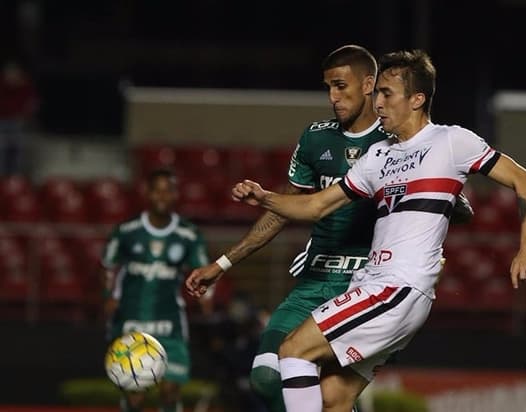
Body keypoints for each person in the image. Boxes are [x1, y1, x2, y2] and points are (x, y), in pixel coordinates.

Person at [225, 49, 526, 412]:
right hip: (375, 284)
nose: (377, 102)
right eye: (377, 93)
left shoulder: (451, 141)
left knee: (293, 352)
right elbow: (316, 205)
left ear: (417, 99)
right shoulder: (378, 155)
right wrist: (264, 198)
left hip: (397, 286)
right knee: (332, 398)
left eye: (387, 93)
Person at [185, 45, 473, 412]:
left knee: (326, 391)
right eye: (328, 88)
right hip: (313, 280)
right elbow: (287, 209)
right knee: (266, 376)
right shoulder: (316, 138)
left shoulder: (399, 141)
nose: (333, 98)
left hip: (363, 284)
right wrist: (222, 264)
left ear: (370, 85)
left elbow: (454, 207)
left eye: (341, 86)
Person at [101, 168, 212, 412]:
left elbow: (204, 271)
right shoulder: (127, 231)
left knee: (170, 390)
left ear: (175, 195)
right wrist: (109, 296)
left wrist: (207, 297)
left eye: (168, 190)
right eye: (157, 190)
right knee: (134, 393)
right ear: (148, 194)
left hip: (169, 322)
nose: (162, 196)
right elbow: (109, 265)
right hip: (131, 321)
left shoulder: (188, 235)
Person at [0, 59, 38, 175]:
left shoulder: (25, 84)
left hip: (18, 122)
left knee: (18, 151)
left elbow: (33, 102)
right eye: (9, 73)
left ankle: (16, 177)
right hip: (2, 121)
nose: (12, 75)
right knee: (2, 150)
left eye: (14, 73)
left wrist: (25, 114)